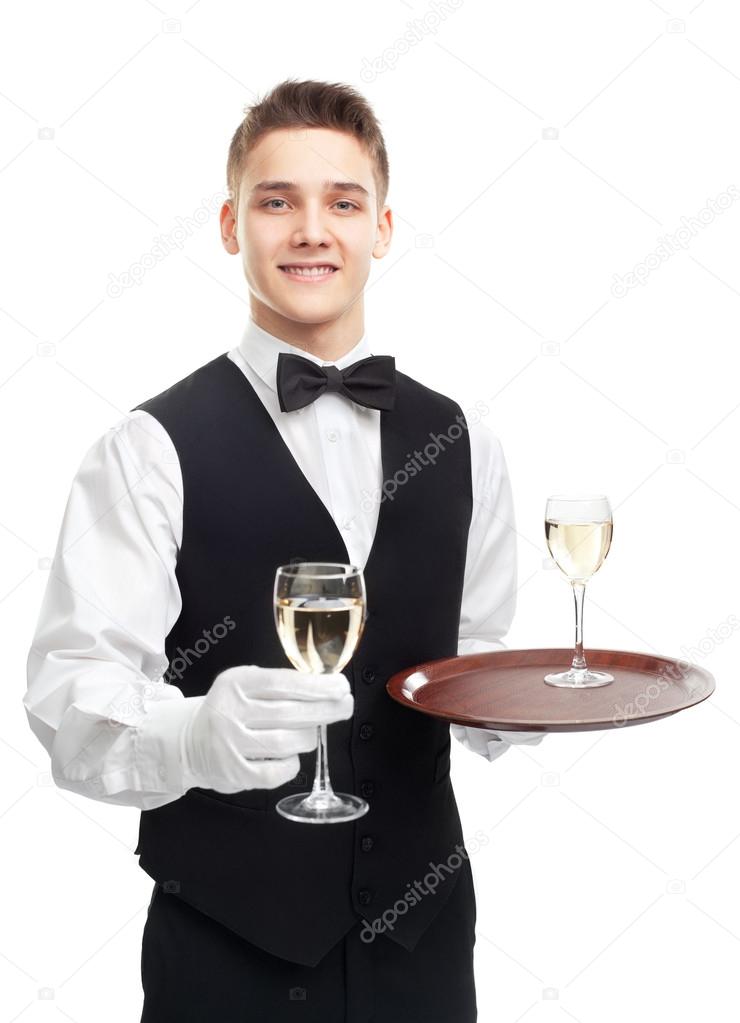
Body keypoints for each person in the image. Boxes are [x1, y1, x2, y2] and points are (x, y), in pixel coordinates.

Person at [23, 78, 544, 1022]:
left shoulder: (466, 440)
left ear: (382, 227)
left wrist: (529, 703)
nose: (313, 229)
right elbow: (70, 699)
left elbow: (473, 675)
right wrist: (192, 736)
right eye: (278, 201)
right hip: (227, 951)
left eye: (343, 202)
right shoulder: (148, 449)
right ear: (231, 225)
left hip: (425, 945)